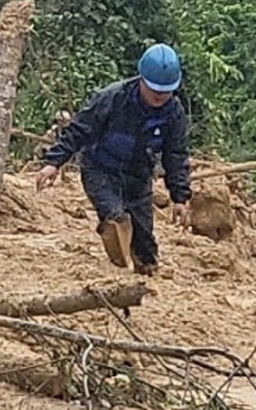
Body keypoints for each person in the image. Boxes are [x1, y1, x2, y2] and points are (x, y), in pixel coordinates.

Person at [34, 44, 192, 275]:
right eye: (154, 89)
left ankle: (139, 270)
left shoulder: (173, 114)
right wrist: (53, 162)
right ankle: (119, 270)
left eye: (165, 91)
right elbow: (79, 130)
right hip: (101, 170)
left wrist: (180, 197)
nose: (159, 96)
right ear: (142, 80)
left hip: (138, 177)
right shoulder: (112, 98)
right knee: (116, 220)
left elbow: (176, 155)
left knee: (146, 252)